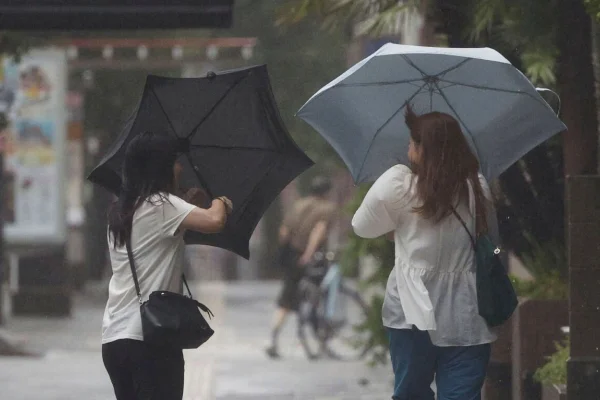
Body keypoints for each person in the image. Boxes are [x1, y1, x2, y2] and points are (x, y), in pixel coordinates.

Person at [352, 105, 500, 400]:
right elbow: (491, 237)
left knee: (411, 393)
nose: (408, 147)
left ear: (423, 149)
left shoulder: (398, 186)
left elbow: (361, 227)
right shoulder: (477, 187)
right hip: (466, 312)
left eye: (412, 141)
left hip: (411, 309)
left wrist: (400, 227)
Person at [102, 132, 233, 400]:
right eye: (174, 161)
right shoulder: (162, 205)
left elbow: (156, 236)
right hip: (151, 339)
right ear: (159, 166)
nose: (180, 167)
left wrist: (185, 202)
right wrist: (222, 200)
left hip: (115, 338)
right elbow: (214, 221)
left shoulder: (121, 211)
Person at [265, 176, 337, 359]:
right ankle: (319, 337)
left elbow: (284, 232)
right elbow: (318, 232)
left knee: (286, 299)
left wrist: (287, 252)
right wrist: (308, 254)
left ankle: (273, 338)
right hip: (310, 258)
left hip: (291, 255)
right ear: (326, 193)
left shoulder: (298, 205)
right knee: (319, 295)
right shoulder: (326, 208)